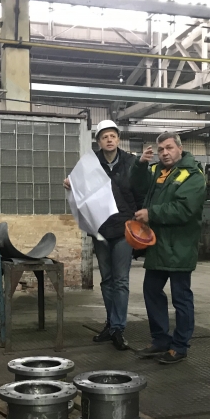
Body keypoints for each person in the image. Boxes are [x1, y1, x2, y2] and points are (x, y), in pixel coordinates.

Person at [64, 120, 144, 350]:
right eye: (104, 136)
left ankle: (118, 327)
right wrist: (70, 184)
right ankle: (111, 324)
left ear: (118, 139)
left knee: (121, 280)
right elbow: (80, 189)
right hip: (100, 229)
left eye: (113, 136)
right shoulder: (90, 164)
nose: (109, 140)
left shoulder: (131, 162)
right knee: (107, 280)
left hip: (124, 229)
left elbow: (141, 191)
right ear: (98, 141)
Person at [130, 132, 206, 364]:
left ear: (180, 148)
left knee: (181, 297)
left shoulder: (192, 175)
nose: (164, 153)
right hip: (158, 245)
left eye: (169, 148)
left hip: (179, 246)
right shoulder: (157, 171)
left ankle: (180, 346)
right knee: (151, 291)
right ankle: (160, 340)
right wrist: (140, 165)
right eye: (161, 149)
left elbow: (184, 209)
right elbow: (137, 186)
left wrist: (151, 214)